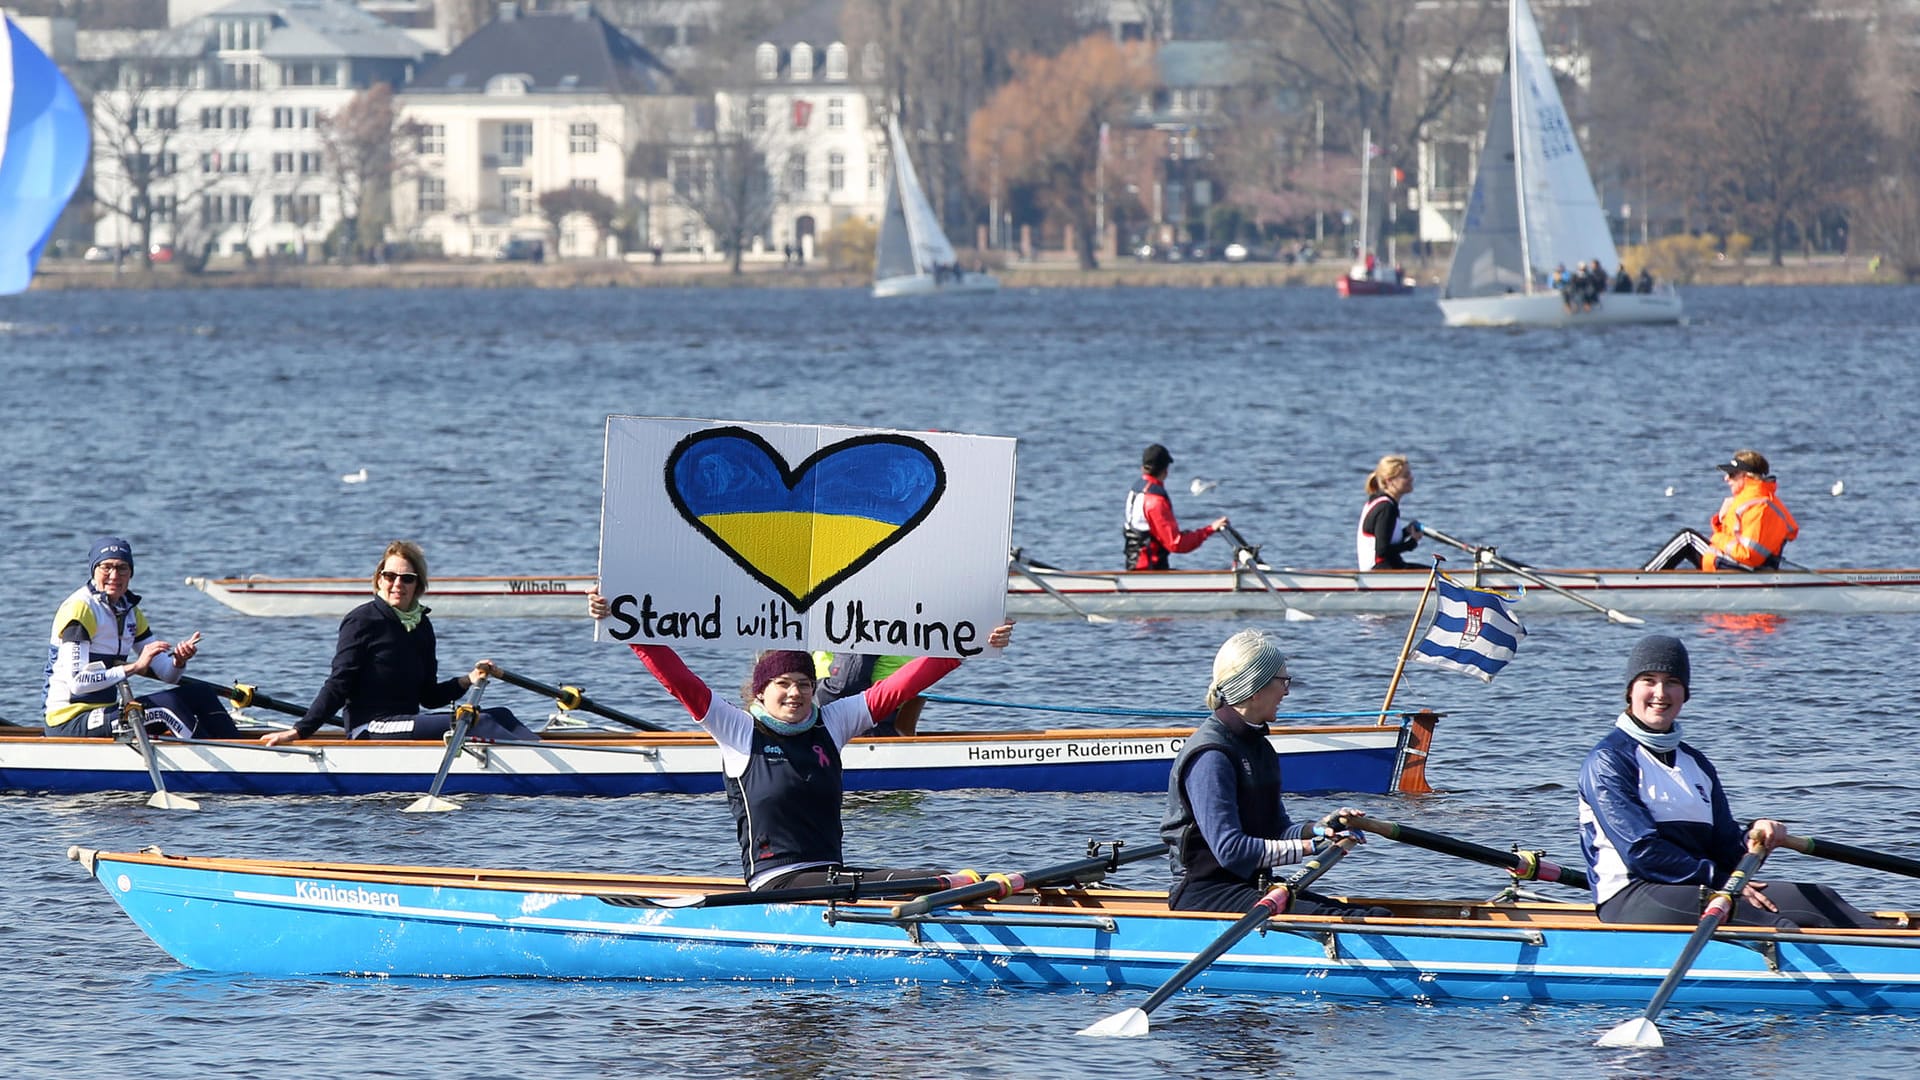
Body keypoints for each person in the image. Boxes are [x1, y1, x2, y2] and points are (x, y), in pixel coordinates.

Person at [591, 588, 1014, 890]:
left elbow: (901, 686)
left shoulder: (832, 722)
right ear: (761, 692)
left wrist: (970, 643)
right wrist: (627, 627)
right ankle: (952, 887)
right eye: (783, 684)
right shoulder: (737, 729)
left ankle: (958, 887)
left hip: (833, 878)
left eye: (803, 684)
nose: (794, 693)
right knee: (943, 882)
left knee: (940, 879)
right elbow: (679, 680)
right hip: (777, 883)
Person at [1578, 636, 1885, 929]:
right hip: (1632, 896)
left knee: (1822, 899)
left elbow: (1725, 849)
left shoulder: (1695, 764)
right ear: (1630, 691)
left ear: (1685, 694)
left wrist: (1753, 838)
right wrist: (1719, 880)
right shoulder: (1610, 760)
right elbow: (1642, 852)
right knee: (1774, 924)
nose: (1660, 693)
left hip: (1702, 886)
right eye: (1649, 680)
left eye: (1672, 682)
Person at [1163, 629, 1382, 915]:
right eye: (1282, 681)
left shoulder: (1260, 748)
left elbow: (1276, 832)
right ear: (1254, 689)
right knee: (1358, 920)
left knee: (1377, 915)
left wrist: (1322, 829)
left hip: (1250, 886)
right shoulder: (1211, 756)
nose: (1287, 691)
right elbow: (1231, 851)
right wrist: (1311, 847)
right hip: (1205, 896)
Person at [261, 541, 535, 746]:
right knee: (480, 721)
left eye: (407, 578)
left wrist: (468, 680)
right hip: (370, 727)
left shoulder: (421, 625)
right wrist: (301, 730)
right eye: (390, 576)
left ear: (418, 585)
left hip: (405, 722)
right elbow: (338, 683)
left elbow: (428, 697)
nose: (397, 584)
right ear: (379, 578)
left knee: (501, 714)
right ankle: (548, 768)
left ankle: (550, 755)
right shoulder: (362, 621)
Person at [44, 536, 238, 739]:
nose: (114, 575)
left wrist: (179, 661)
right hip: (69, 722)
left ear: (131, 574)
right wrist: (136, 667)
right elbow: (78, 683)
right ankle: (218, 764)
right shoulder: (80, 609)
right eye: (106, 567)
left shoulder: (130, 611)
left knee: (201, 693)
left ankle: (243, 754)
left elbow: (168, 675)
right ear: (94, 570)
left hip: (104, 714)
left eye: (122, 568)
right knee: (167, 708)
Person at [1643, 449, 1799, 572]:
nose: (1726, 479)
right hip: (1739, 565)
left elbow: (1750, 556)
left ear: (1746, 476)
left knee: (1687, 538)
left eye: (1731, 474)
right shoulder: (1751, 500)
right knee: (1689, 540)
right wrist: (1722, 520)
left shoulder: (1759, 506)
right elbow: (1733, 539)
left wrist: (1717, 537)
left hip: (1748, 569)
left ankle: (1641, 580)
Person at [1122, 443, 1229, 570]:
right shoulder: (1155, 501)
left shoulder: (1134, 491)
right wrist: (1210, 529)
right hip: (1150, 571)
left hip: (1135, 567)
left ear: (1142, 468)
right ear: (1165, 471)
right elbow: (1176, 544)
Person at [812, 652, 923, 736]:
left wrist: (804, 697)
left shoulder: (856, 623)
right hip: (890, 718)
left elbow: (845, 686)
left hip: (864, 724)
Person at [1357, 454, 1422, 570]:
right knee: (1443, 578)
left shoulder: (1383, 502)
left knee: (1439, 574)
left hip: (1388, 566)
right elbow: (1382, 550)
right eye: (1406, 475)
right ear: (1390, 481)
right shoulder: (1385, 508)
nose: (1411, 478)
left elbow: (1386, 539)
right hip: (1379, 570)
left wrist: (1407, 532)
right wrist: (1411, 543)